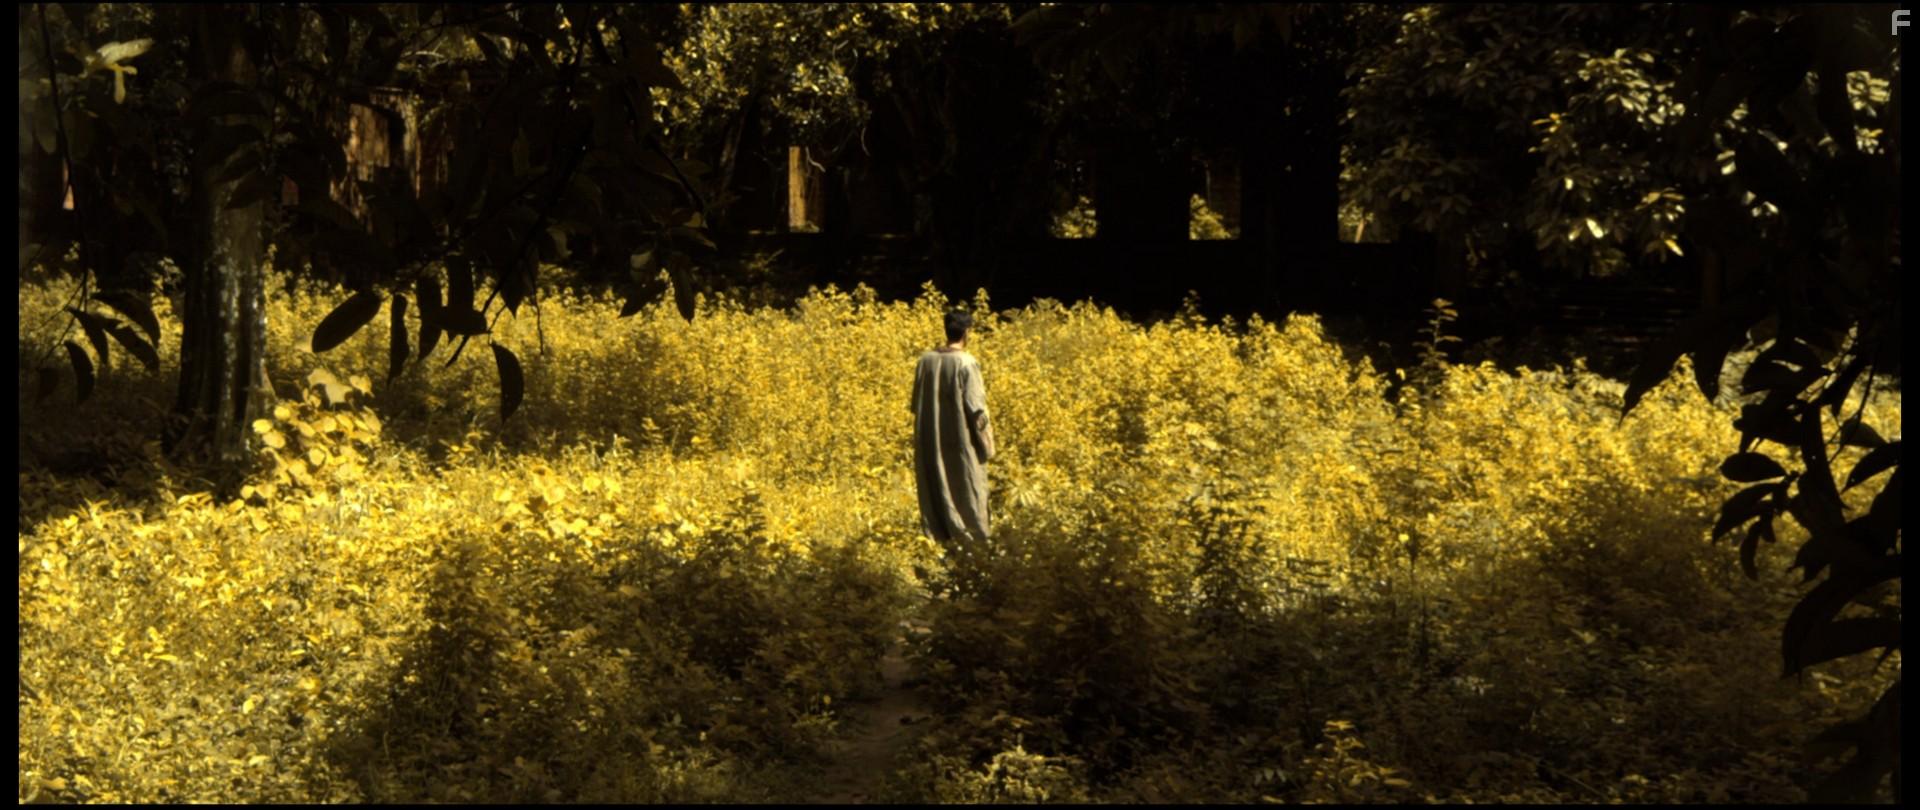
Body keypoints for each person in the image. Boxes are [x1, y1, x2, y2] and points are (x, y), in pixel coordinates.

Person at [910, 309, 996, 581]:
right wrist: (987, 447)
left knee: (937, 494)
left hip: (931, 445)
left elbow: (916, 405)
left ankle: (942, 557)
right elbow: (977, 411)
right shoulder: (966, 363)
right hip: (962, 446)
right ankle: (977, 562)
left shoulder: (925, 361)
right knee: (970, 494)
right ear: (967, 331)